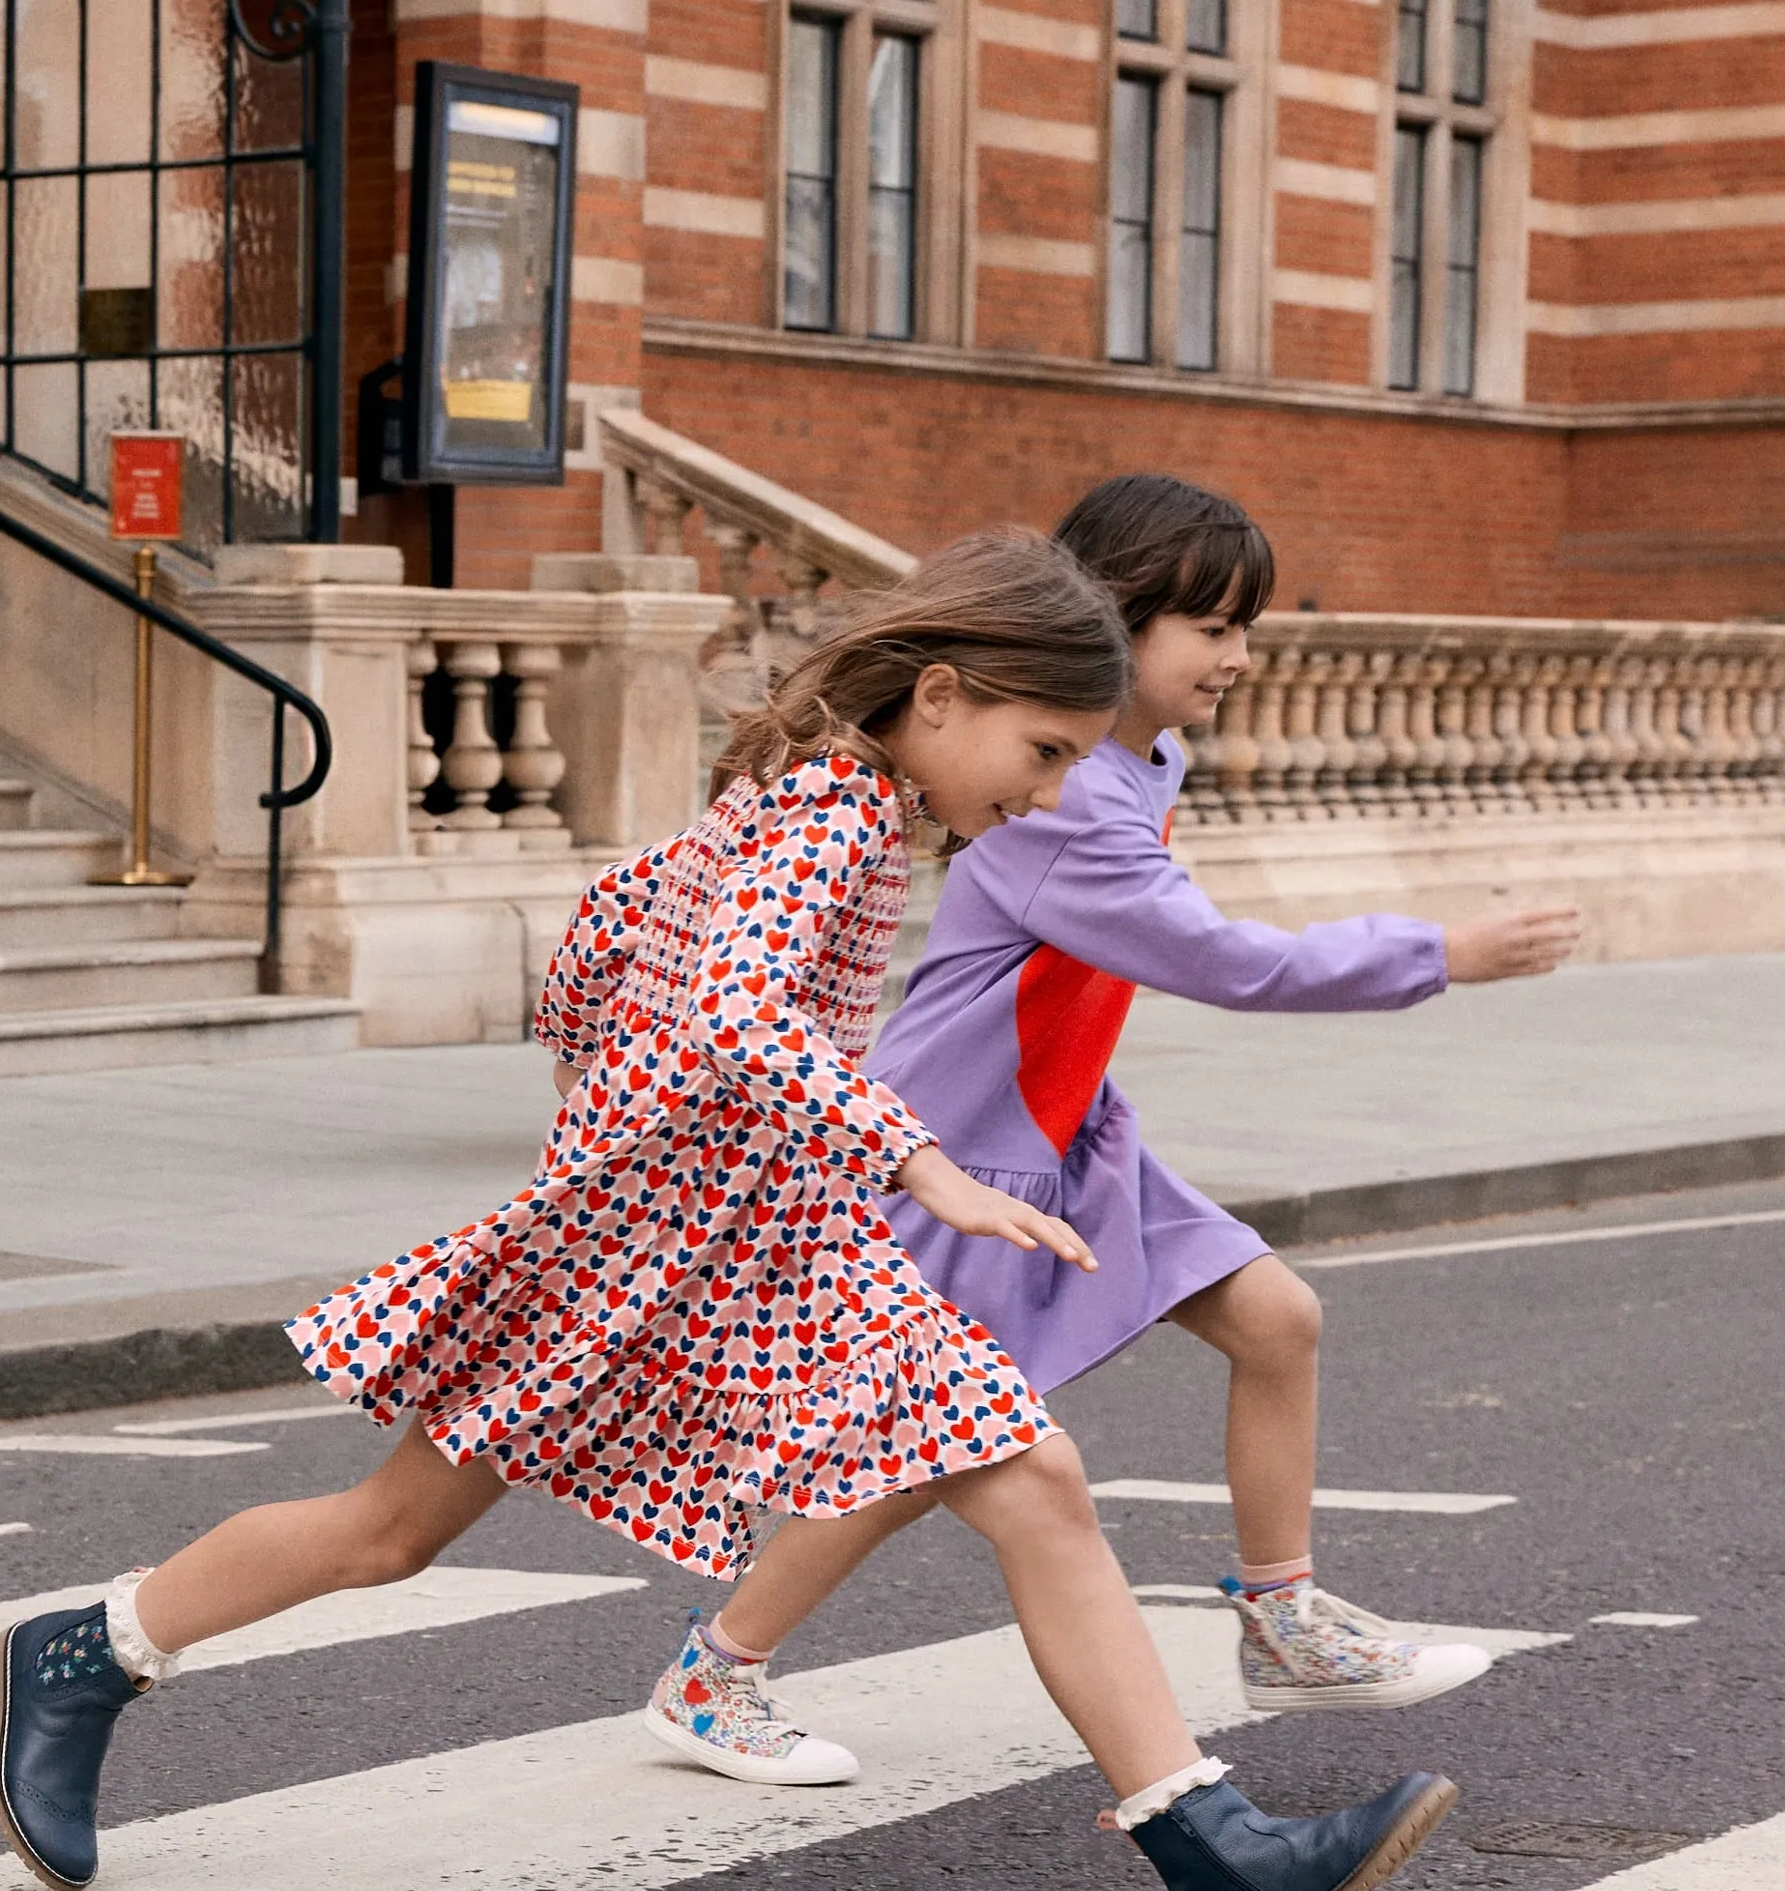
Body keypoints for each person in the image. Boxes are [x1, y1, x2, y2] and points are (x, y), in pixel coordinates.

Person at [0, 528, 1452, 1891]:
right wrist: (915, 1156)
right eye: (1046, 746)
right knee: (390, 1532)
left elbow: (612, 932)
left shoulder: (824, 794)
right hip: (662, 1240)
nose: (1055, 789)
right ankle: (86, 1649)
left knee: (1034, 1476)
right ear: (940, 695)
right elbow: (740, 1014)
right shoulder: (833, 816)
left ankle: (1214, 1855)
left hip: (771, 1235)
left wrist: (603, 1091)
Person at [642, 476, 1580, 1783]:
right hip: (966, 1149)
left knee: (1277, 1319)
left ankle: (1283, 1616)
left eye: (1243, 626)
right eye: (1213, 627)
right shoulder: (1072, 802)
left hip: (1076, 1137)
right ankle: (713, 1672)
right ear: (1115, 622)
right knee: (922, 1451)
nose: (1240, 656)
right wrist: (1444, 950)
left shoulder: (1140, 760)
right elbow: (1223, 959)